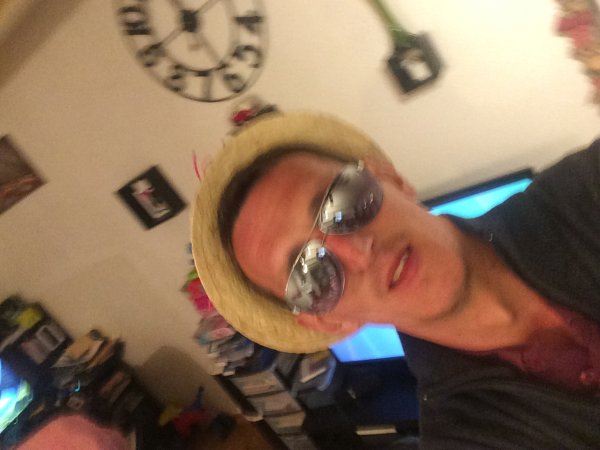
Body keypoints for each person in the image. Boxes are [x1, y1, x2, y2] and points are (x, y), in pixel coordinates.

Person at [191, 111, 600, 448]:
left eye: (343, 200)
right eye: (308, 272)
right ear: (328, 320)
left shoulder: (585, 188)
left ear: (391, 179)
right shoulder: (469, 437)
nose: (357, 252)